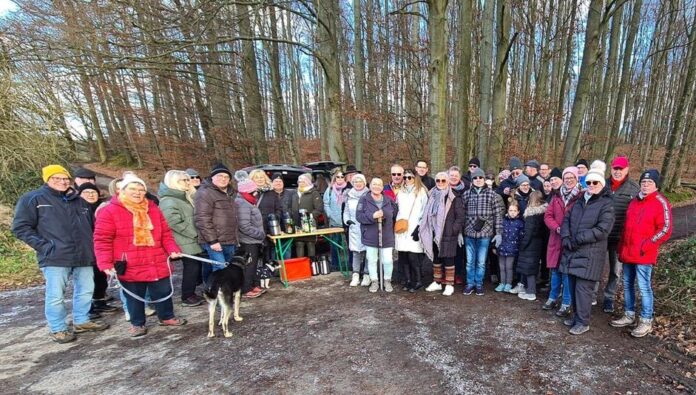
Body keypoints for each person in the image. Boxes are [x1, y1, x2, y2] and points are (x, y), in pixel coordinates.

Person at [12, 165, 109, 343]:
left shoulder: (79, 201)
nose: (62, 182)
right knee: (56, 295)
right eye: (57, 178)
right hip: (55, 256)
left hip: (84, 255)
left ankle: (82, 320)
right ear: (47, 179)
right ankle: (58, 328)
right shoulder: (33, 199)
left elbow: (93, 227)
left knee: (86, 290)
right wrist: (45, 246)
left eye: (65, 178)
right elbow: (20, 227)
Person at [94, 174, 186, 337]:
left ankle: (166, 317)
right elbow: (102, 240)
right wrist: (105, 263)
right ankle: (137, 323)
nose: (137, 193)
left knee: (163, 291)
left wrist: (172, 248)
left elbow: (165, 233)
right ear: (122, 191)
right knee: (134, 296)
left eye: (141, 189)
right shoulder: (109, 211)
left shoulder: (153, 208)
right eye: (133, 189)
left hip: (156, 259)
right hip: (129, 262)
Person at [611, 169, 672, 337]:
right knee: (627, 285)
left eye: (649, 183)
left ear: (656, 185)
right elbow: (626, 227)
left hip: (644, 254)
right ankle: (629, 314)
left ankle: (646, 320)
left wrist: (647, 244)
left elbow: (665, 229)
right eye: (643, 182)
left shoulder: (661, 202)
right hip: (628, 252)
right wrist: (621, 246)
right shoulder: (634, 202)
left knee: (644, 287)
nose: (645, 185)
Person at [559, 167, 614, 335]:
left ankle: (583, 321)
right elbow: (567, 219)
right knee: (574, 286)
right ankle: (576, 317)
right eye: (588, 182)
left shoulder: (606, 203)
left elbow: (602, 230)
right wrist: (566, 237)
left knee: (584, 289)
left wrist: (579, 238)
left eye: (595, 182)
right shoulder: (580, 200)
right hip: (573, 251)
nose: (591, 185)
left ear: (601, 184)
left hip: (590, 253)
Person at [159, 170, 205, 307]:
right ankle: (187, 295)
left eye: (187, 179)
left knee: (195, 267)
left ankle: (191, 293)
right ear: (174, 182)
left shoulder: (186, 197)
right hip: (184, 239)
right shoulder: (169, 200)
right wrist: (194, 233)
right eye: (183, 180)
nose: (187, 182)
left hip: (191, 239)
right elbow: (172, 221)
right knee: (191, 267)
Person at [600, 156, 639, 313]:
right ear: (611, 169)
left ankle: (608, 297)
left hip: (619, 237)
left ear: (627, 170)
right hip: (601, 235)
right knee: (595, 266)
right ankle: (590, 296)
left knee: (615, 270)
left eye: (620, 169)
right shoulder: (602, 185)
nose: (617, 171)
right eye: (615, 168)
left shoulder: (634, 188)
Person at [420, 172, 466, 296]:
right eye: (438, 180)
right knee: (436, 258)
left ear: (447, 182)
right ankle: (437, 281)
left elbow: (460, 217)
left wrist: (453, 230)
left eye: (443, 181)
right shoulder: (431, 195)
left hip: (447, 233)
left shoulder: (454, 196)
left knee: (449, 258)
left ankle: (449, 284)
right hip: (433, 231)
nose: (440, 183)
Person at [542, 166, 580, 315]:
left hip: (570, 240)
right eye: (566, 178)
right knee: (555, 271)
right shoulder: (557, 196)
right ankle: (552, 297)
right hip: (556, 238)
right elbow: (548, 216)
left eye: (571, 178)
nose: (568, 180)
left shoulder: (581, 196)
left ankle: (566, 302)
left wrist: (568, 231)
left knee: (567, 273)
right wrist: (557, 228)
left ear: (576, 179)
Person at [78, 182, 118, 318]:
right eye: (86, 192)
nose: (90, 195)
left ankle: (100, 301)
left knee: (101, 277)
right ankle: (88, 308)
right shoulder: (77, 209)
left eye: (93, 192)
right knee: (88, 280)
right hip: (85, 249)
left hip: (101, 248)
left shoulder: (103, 208)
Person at [462, 168, 504, 295]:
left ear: (484, 179)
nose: (478, 180)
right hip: (469, 232)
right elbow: (462, 214)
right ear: (472, 180)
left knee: (481, 262)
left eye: (480, 177)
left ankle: (479, 284)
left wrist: (498, 233)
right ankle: (470, 284)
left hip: (485, 233)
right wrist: (460, 231)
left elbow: (498, 214)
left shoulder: (492, 194)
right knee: (470, 261)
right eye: (475, 178)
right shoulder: (466, 194)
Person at [194, 163, 238, 284]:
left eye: (226, 177)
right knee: (221, 270)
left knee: (221, 268)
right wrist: (212, 241)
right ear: (212, 177)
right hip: (214, 240)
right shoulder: (205, 193)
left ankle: (209, 290)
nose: (223, 179)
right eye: (220, 176)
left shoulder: (230, 193)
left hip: (229, 239)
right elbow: (202, 218)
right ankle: (220, 299)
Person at [357, 178, 398, 293]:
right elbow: (359, 217)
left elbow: (395, 214)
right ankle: (374, 280)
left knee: (388, 260)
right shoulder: (364, 199)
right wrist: (373, 216)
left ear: (382, 187)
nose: (377, 186)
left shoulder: (389, 200)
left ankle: (387, 280)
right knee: (372, 259)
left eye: (379, 184)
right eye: (374, 184)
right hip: (370, 235)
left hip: (386, 235)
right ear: (370, 186)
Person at [395, 169, 428, 292]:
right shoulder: (400, 192)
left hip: (414, 226)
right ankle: (408, 280)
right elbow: (397, 209)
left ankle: (418, 281)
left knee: (413, 256)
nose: (407, 180)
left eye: (410, 177)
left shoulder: (421, 192)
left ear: (415, 178)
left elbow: (425, 211)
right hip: (402, 226)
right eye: (405, 177)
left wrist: (419, 227)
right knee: (403, 255)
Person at [235, 177, 267, 299]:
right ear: (247, 191)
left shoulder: (249, 201)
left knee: (253, 264)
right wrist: (260, 234)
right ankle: (246, 288)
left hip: (254, 239)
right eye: (254, 191)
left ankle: (253, 284)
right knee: (249, 265)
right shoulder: (242, 203)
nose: (256, 193)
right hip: (248, 240)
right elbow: (244, 225)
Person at [515, 191, 549, 301]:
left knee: (529, 269)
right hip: (539, 244)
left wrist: (523, 245)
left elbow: (528, 233)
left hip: (530, 245)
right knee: (532, 267)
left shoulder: (531, 214)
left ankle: (530, 292)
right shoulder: (544, 213)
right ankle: (525, 287)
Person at [343, 174, 369, 286]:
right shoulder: (349, 195)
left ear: (364, 183)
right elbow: (346, 211)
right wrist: (347, 221)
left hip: (367, 226)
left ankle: (367, 274)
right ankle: (356, 275)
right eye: (356, 181)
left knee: (369, 252)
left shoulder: (369, 194)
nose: (358, 183)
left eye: (360, 181)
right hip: (354, 227)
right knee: (356, 252)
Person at [292, 173, 324, 258]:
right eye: (299, 182)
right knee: (299, 243)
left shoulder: (314, 193)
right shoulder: (295, 193)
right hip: (297, 224)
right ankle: (301, 267)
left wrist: (309, 217)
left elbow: (319, 208)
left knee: (310, 243)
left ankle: (312, 264)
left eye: (303, 182)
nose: (301, 183)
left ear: (308, 182)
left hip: (310, 223)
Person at [496, 203, 524, 292]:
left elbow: (521, 237)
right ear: (507, 211)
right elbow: (498, 233)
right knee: (502, 267)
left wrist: (519, 247)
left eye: (514, 211)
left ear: (518, 212)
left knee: (509, 266)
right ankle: (502, 283)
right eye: (511, 210)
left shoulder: (520, 223)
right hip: (502, 247)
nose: (512, 213)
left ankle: (508, 283)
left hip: (513, 248)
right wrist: (495, 246)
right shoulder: (503, 221)